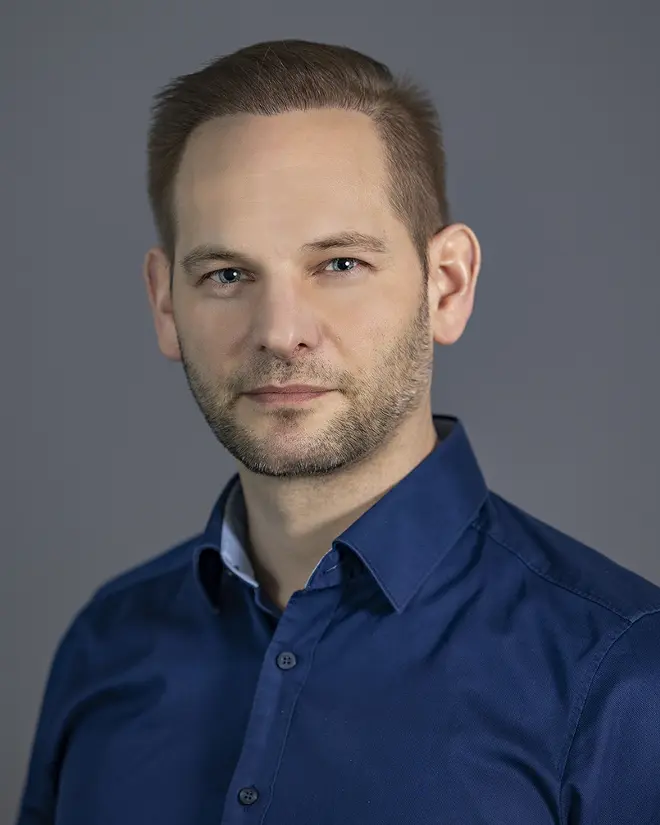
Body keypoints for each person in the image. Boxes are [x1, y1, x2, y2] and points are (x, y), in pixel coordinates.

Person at [16, 39, 660, 825]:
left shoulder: (624, 675)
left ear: (447, 285)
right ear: (165, 304)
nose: (280, 331)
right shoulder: (105, 647)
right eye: (227, 275)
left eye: (340, 264)